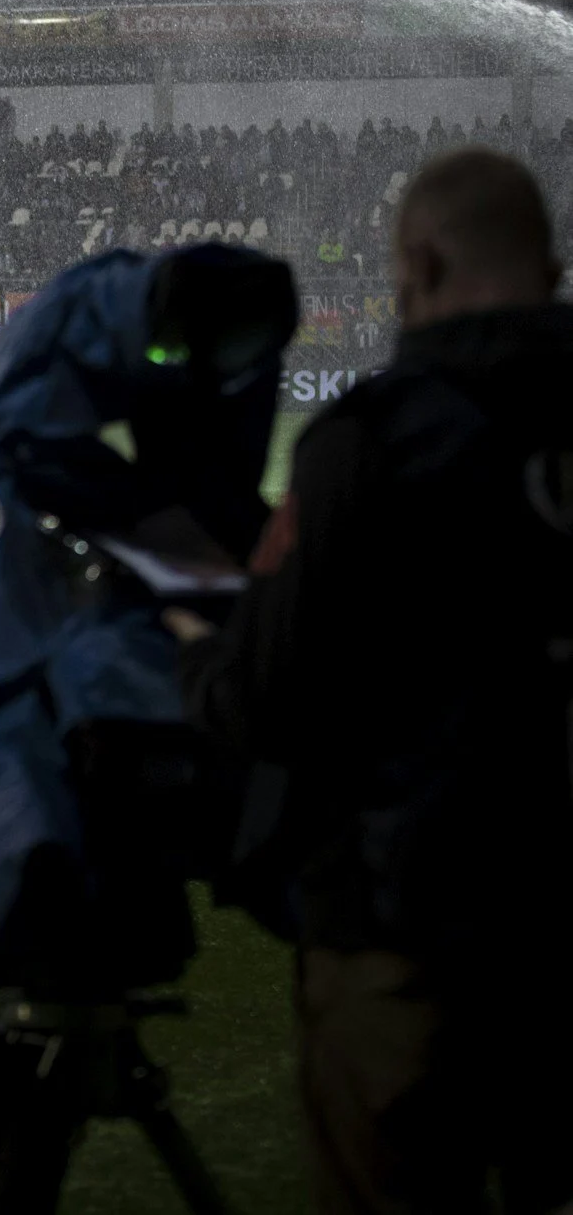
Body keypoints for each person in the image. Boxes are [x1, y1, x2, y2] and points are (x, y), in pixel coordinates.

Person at [176, 146, 573, 1215]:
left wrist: (187, 646)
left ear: (417, 262)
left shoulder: (370, 439)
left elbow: (262, 700)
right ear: (552, 263)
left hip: (410, 928)